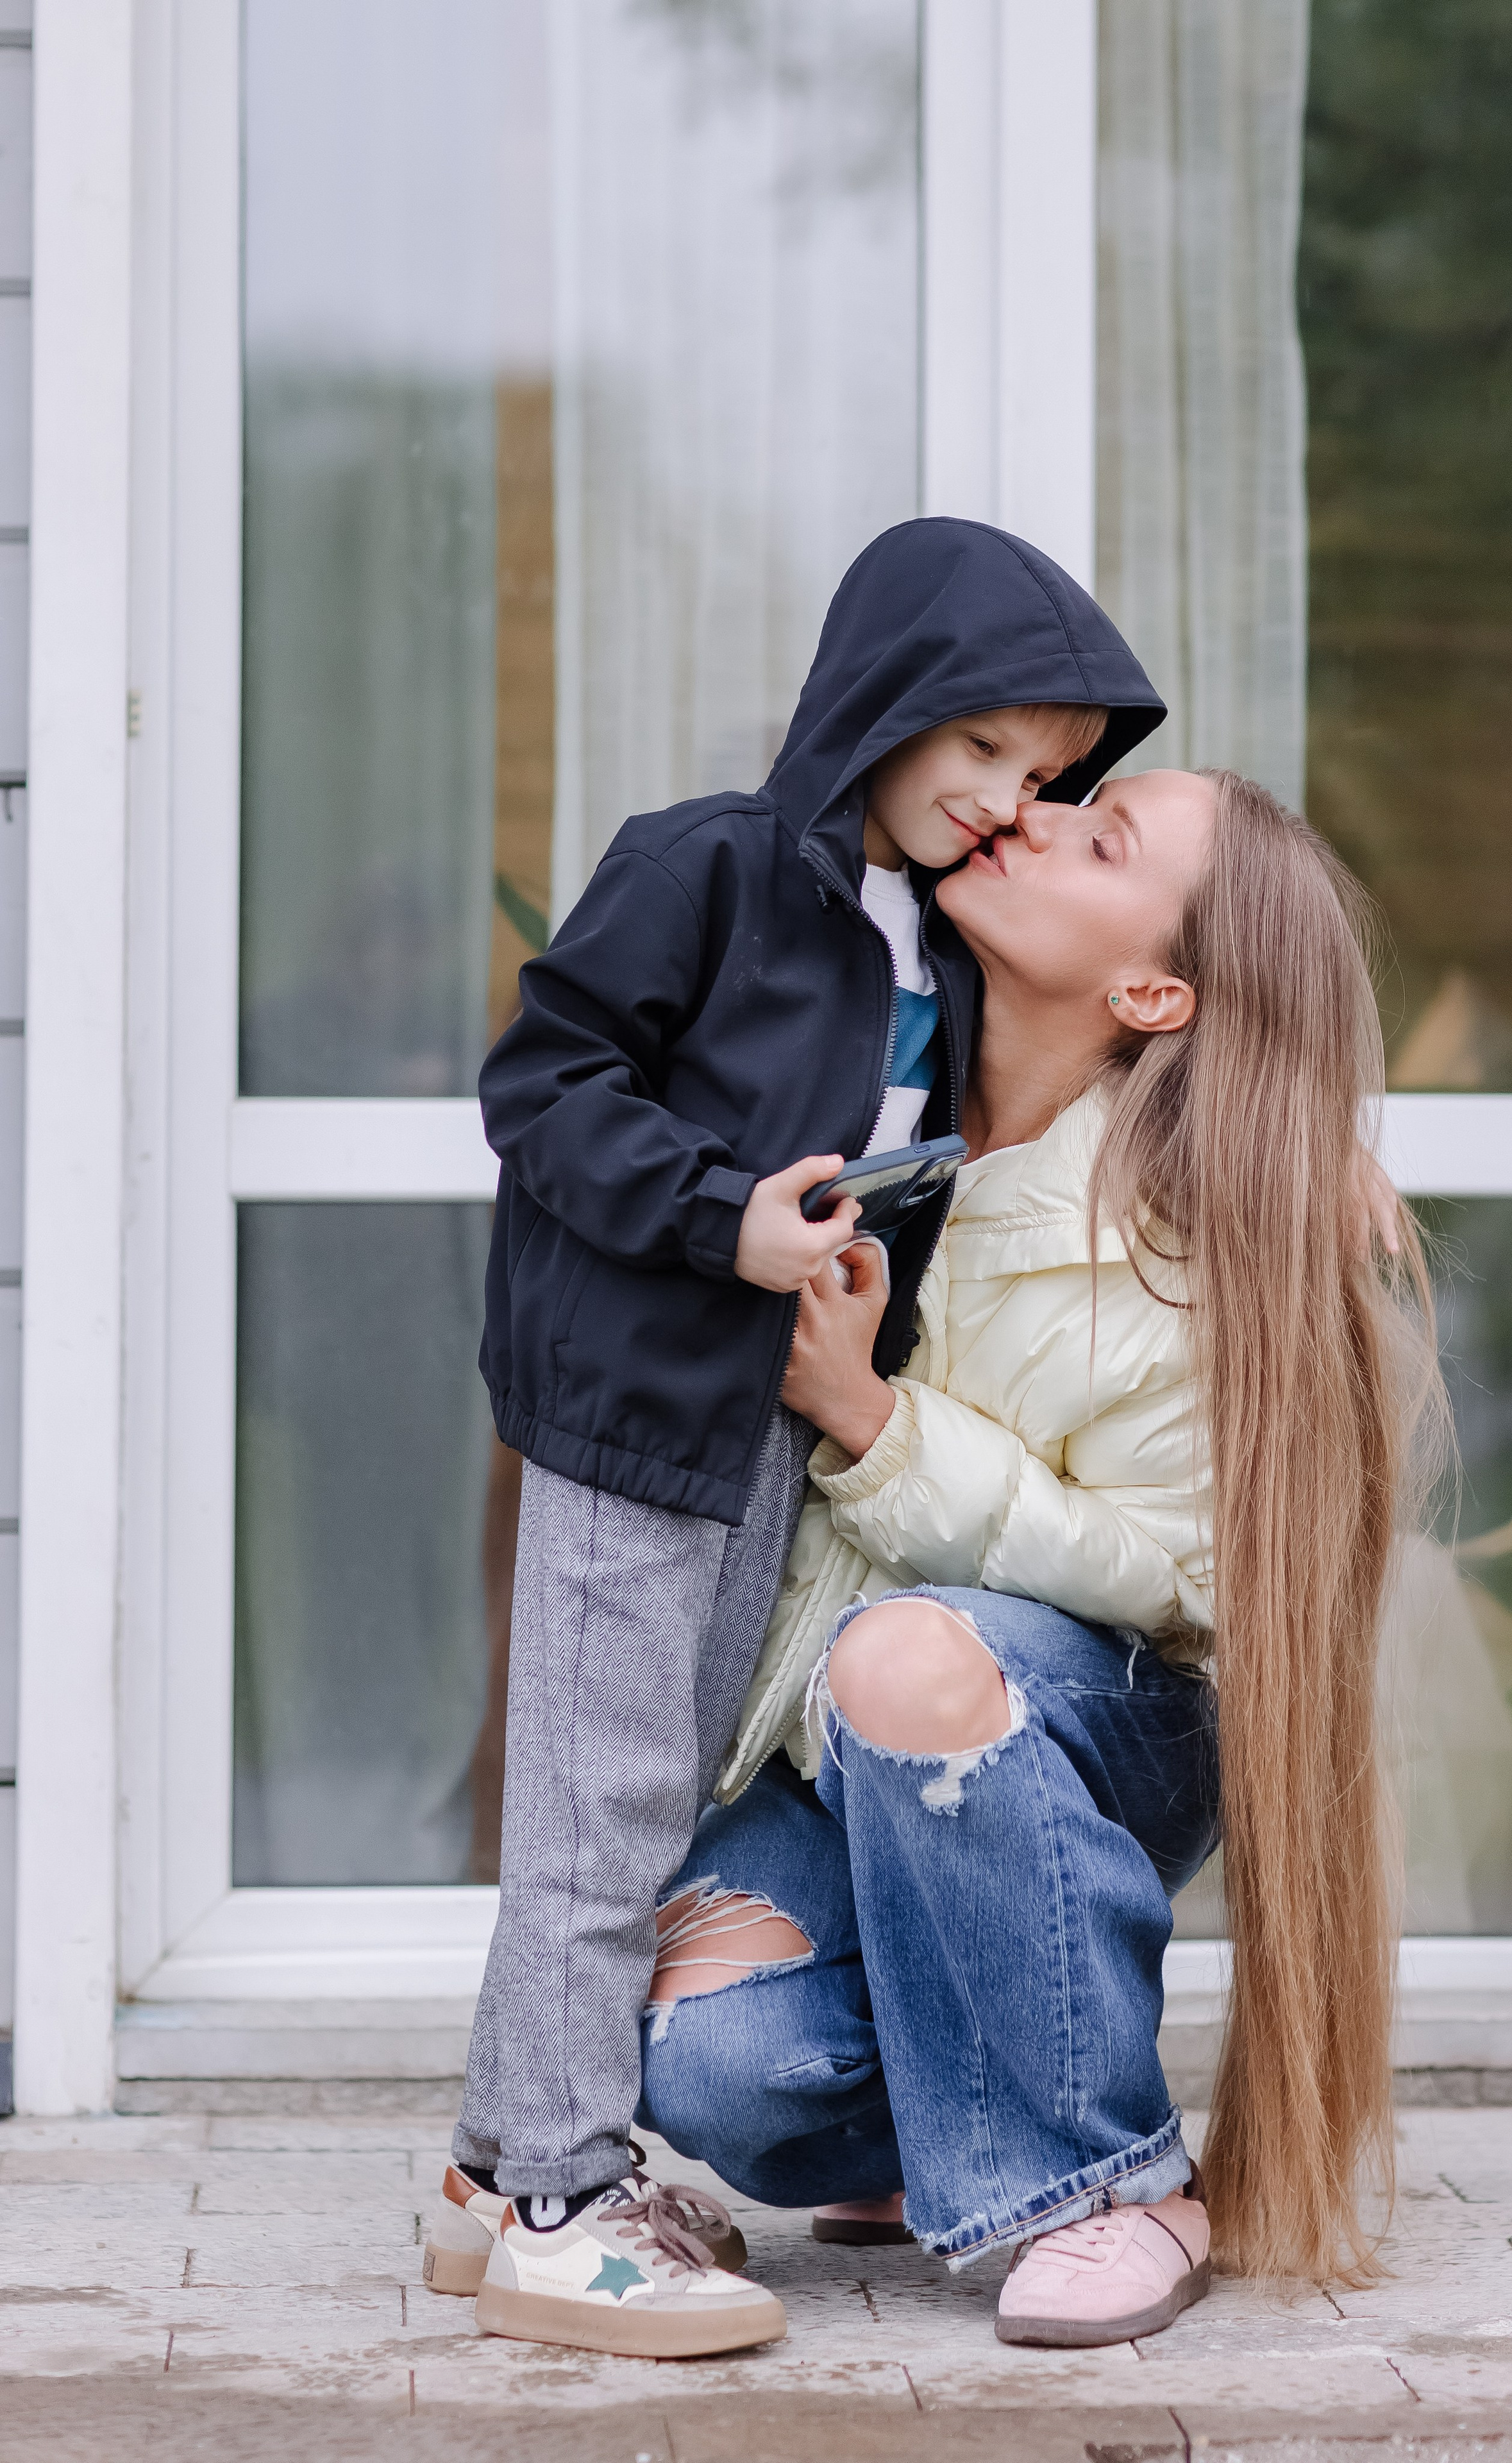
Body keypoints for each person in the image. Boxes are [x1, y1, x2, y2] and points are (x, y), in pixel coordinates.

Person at [426, 518, 1167, 2356]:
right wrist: (720, 1218)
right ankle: (549, 2205)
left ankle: (483, 2173)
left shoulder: (937, 936)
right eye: (982, 751)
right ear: (885, 703)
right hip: (631, 1414)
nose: (1008, 805)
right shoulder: (714, 870)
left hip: (756, 1432)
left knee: (648, 1804)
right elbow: (545, 1086)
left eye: (1050, 778)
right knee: (597, 1818)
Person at [637, 767, 1441, 2346]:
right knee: (711, 2060)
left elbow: (1193, 1575)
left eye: (1102, 833)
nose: (1028, 814)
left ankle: (1106, 2184)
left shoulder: (1179, 1241)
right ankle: (953, 2127)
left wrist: (874, 1429)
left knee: (909, 1655)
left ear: (1151, 987)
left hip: (1097, 1723)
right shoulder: (882, 1104)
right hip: (843, 1740)